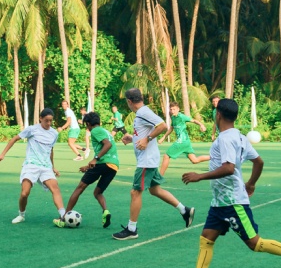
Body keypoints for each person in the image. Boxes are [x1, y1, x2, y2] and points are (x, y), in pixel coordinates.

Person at [170, 98, 281, 268]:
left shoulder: (225, 138)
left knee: (255, 243)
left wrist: (199, 176)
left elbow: (229, 167)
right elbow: (258, 161)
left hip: (233, 203)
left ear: (218, 115)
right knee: (206, 238)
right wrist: (251, 183)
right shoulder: (239, 136)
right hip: (220, 202)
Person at [112, 88, 195, 240]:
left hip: (146, 161)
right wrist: (133, 138)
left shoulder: (143, 112)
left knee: (135, 192)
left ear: (129, 101)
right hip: (148, 159)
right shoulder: (141, 113)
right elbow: (146, 133)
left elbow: (162, 125)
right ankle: (185, 210)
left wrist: (147, 139)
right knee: (155, 190)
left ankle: (132, 229)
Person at [0, 108, 67, 225]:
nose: (49, 124)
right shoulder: (32, 130)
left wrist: (53, 167)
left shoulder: (54, 133)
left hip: (45, 167)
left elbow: (50, 150)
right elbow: (15, 139)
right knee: (25, 193)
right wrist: (3, 154)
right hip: (31, 165)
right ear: (40, 119)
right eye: (46, 121)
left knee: (55, 188)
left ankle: (63, 215)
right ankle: (21, 215)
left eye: (51, 121)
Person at [55, 112, 118, 229]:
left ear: (88, 123)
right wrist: (88, 166)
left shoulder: (95, 131)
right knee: (97, 192)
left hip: (103, 163)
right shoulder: (106, 131)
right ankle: (106, 211)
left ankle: (63, 218)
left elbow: (107, 145)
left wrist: (95, 158)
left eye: (86, 125)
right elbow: (105, 154)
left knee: (79, 188)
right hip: (113, 166)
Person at [159, 102, 209, 175]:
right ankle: (215, 157)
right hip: (186, 142)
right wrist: (163, 137)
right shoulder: (173, 117)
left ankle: (159, 177)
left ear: (178, 109)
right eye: (171, 109)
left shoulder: (182, 116)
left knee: (166, 156)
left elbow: (194, 120)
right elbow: (171, 128)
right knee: (194, 160)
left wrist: (201, 125)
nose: (172, 111)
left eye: (174, 109)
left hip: (181, 141)